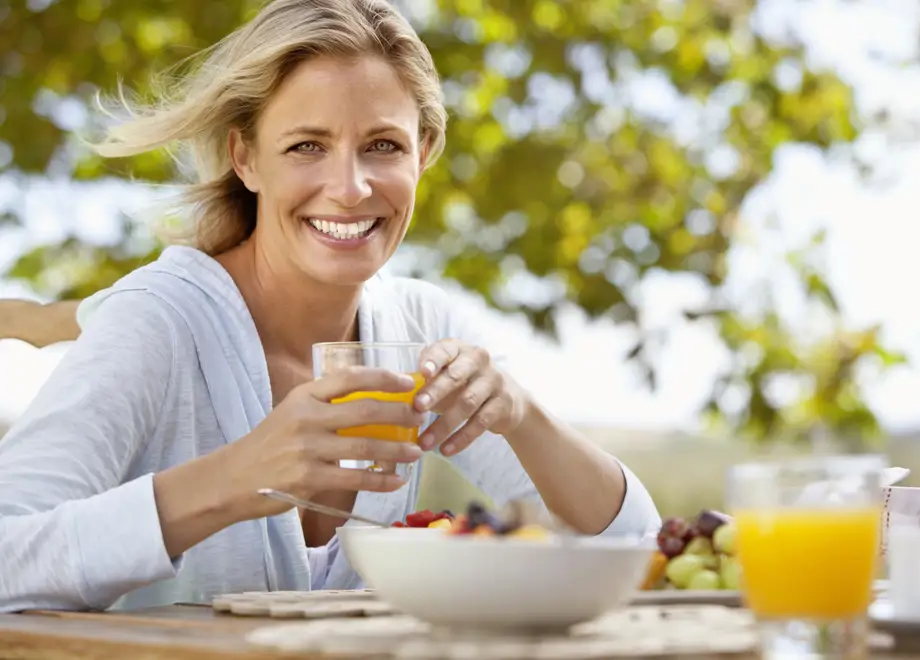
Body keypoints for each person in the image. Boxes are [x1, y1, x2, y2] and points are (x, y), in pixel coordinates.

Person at [0, 0, 661, 613]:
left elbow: (640, 549)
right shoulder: (157, 322)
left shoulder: (421, 329)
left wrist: (522, 416)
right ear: (245, 158)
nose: (349, 188)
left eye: (383, 145)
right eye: (306, 146)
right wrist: (234, 478)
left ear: (424, 153)